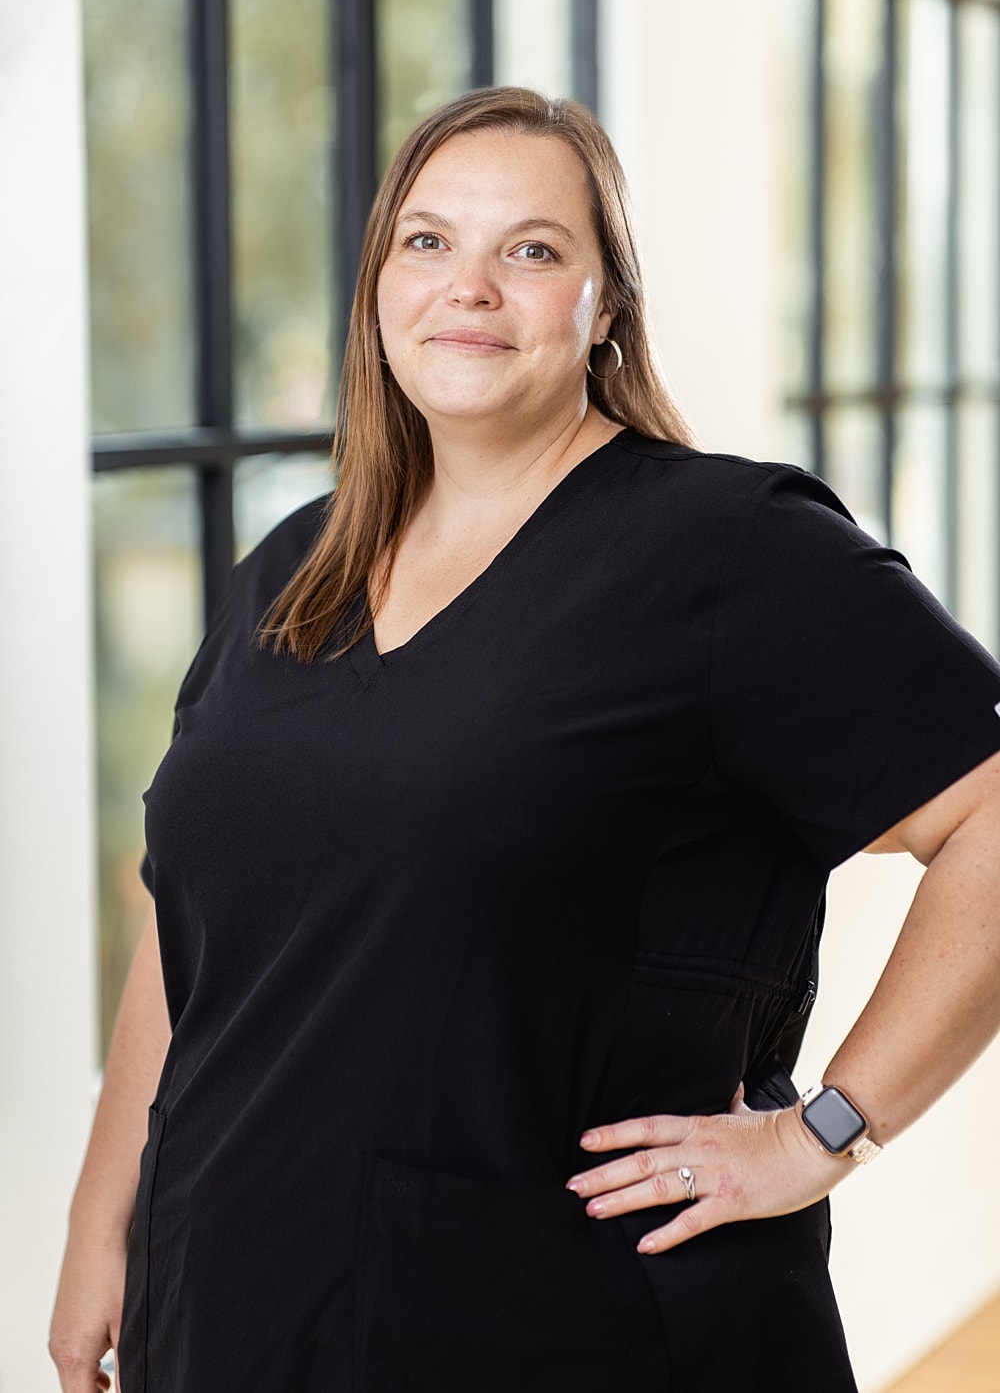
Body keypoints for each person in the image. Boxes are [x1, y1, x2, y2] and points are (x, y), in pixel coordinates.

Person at [51, 86, 1000, 1393]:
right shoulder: (292, 568)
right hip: (234, 1304)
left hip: (565, 1329)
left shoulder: (736, 555)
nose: (471, 288)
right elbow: (193, 918)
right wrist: (104, 1219)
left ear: (606, 305)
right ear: (379, 282)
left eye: (534, 250)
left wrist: (824, 1133)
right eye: (428, 242)